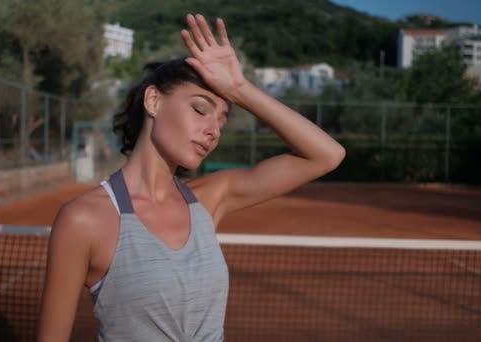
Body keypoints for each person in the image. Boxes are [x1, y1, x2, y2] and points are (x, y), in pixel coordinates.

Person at [38, 13, 345, 342]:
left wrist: (241, 90)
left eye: (222, 121)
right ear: (153, 101)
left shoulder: (209, 199)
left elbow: (326, 155)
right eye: (200, 109)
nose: (213, 130)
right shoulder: (84, 219)